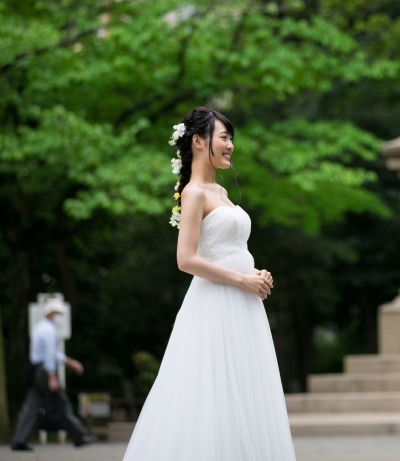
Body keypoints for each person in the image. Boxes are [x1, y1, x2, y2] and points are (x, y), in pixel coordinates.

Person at [123, 107, 295, 461]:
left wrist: (256, 275)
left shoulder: (220, 190)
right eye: (224, 137)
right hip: (215, 304)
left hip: (242, 304)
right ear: (199, 142)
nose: (230, 145)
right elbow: (185, 260)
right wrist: (241, 279)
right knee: (213, 391)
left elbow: (228, 249)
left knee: (246, 390)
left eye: (231, 138)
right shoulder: (194, 193)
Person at [11, 298, 95, 451]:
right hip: (44, 371)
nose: (60, 316)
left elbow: (54, 354)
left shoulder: (39, 328)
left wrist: (71, 363)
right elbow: (50, 356)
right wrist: (52, 377)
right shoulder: (49, 330)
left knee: (31, 406)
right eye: (58, 313)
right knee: (62, 402)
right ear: (51, 313)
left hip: (36, 370)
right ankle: (79, 436)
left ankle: (19, 440)